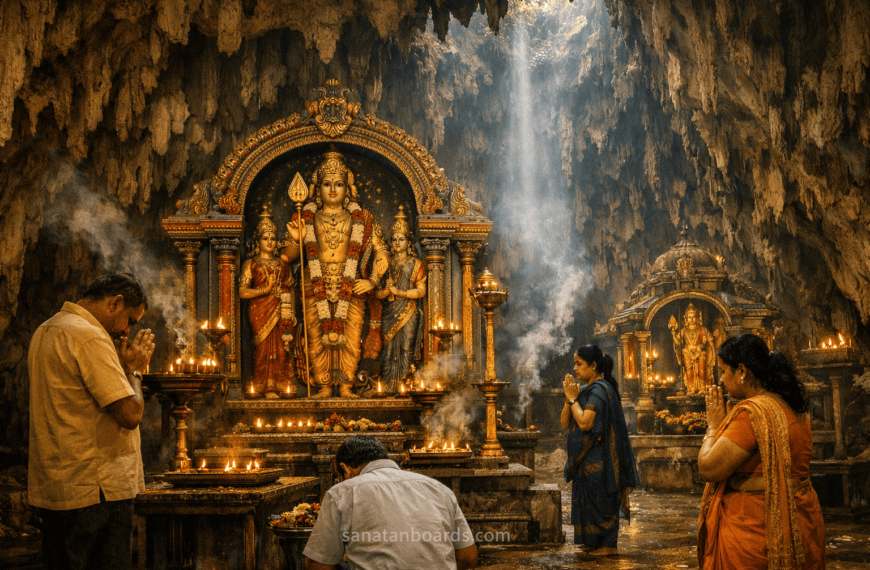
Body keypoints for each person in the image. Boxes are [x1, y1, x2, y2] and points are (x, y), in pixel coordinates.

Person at [27, 273, 156, 570]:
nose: (126, 331)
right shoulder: (89, 336)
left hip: (57, 487)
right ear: (115, 302)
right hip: (97, 491)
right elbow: (129, 415)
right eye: (130, 320)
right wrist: (134, 371)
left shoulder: (46, 329)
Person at [697, 333, 826, 569]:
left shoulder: (753, 414)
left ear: (742, 371)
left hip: (755, 530)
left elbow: (708, 468)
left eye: (724, 371)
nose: (722, 379)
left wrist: (714, 426)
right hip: (801, 520)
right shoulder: (793, 406)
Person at [282, 151, 389, 398]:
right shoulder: (305, 217)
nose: (333, 190)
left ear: (347, 188)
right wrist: (297, 241)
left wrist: (372, 280)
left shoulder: (362, 218)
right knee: (316, 335)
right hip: (314, 280)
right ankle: (322, 386)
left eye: (338, 184)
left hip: (351, 281)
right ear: (316, 189)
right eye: (327, 184)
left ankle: (346, 386)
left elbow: (381, 250)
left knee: (351, 337)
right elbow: (287, 257)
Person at [303, 436, 478, 570]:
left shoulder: (341, 492)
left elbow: (317, 564)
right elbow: (468, 557)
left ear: (345, 468)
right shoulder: (439, 489)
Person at [561, 344, 640, 556]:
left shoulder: (599, 390)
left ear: (593, 365)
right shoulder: (586, 390)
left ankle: (608, 545)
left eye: (579, 364)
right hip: (585, 460)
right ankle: (593, 541)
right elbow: (565, 423)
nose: (575, 369)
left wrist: (573, 399)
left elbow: (585, 423)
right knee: (589, 502)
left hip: (599, 459)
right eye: (575, 364)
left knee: (601, 500)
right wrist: (570, 399)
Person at [240, 206, 298, 398]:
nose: (270, 242)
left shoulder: (283, 264)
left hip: (281, 310)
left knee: (282, 349)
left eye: (273, 238)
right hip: (260, 311)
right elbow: (241, 292)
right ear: (257, 241)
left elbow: (290, 288)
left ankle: (281, 386)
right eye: (265, 238)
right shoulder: (250, 263)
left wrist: (292, 312)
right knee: (263, 349)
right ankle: (261, 386)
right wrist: (263, 291)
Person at [375, 206, 426, 393]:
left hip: (408, 311)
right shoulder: (385, 264)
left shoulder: (416, 264)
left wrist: (402, 293)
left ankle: (405, 386)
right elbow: (376, 293)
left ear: (409, 242)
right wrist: (387, 293)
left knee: (406, 348)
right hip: (389, 312)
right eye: (394, 239)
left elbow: (421, 291)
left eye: (401, 239)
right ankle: (388, 387)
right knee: (388, 350)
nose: (397, 243)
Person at [669, 303, 716, 394]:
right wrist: (674, 334)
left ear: (698, 318)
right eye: (689, 317)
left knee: (702, 370)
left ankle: (702, 388)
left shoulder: (703, 330)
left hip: (700, 352)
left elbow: (710, 342)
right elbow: (678, 342)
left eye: (693, 316)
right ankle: (691, 389)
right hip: (687, 352)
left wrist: (705, 346)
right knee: (689, 372)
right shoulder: (683, 330)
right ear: (686, 318)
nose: (691, 319)